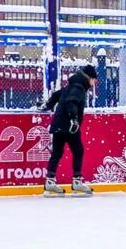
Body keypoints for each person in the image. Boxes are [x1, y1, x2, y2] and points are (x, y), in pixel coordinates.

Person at [41, 63, 97, 196]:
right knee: (78, 151)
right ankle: (77, 181)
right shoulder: (79, 87)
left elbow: (56, 95)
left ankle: (50, 181)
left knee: (57, 153)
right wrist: (74, 119)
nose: (94, 83)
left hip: (59, 124)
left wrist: (47, 105)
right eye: (94, 79)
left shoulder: (72, 85)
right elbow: (71, 102)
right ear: (89, 78)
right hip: (69, 127)